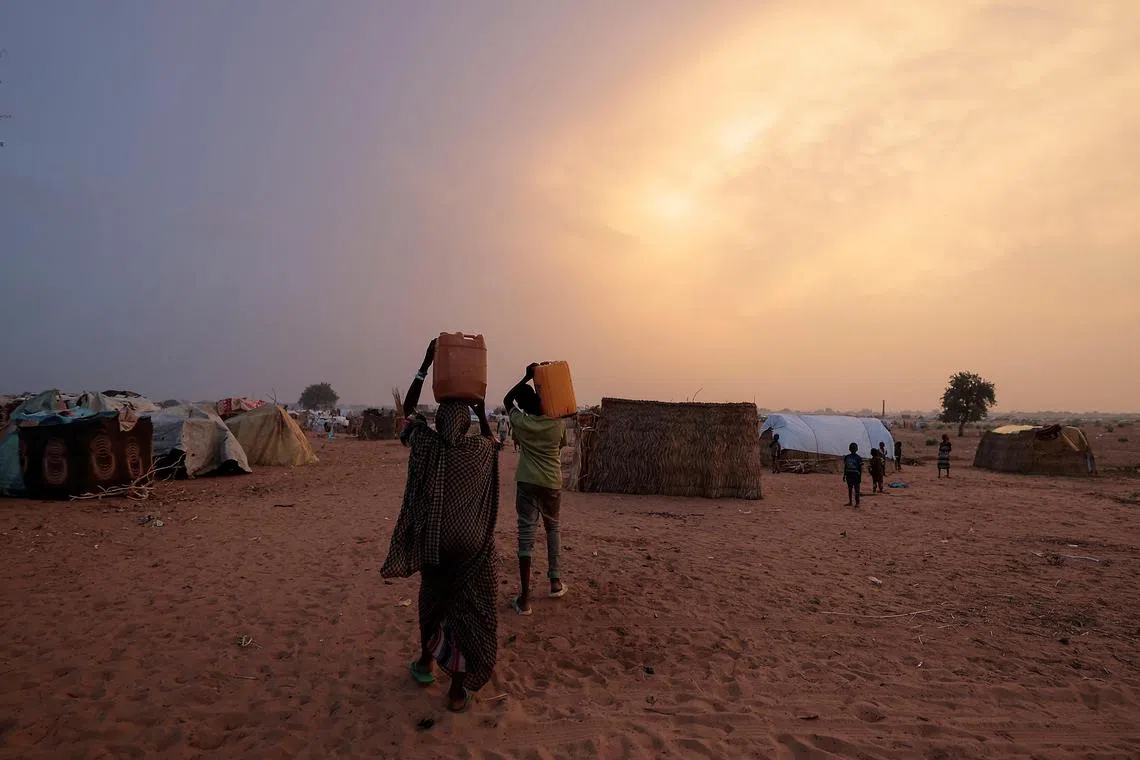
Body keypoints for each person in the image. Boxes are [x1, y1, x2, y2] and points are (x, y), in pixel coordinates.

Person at [381, 338, 500, 714]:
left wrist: (426, 362)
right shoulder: (478, 451)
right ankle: (458, 690)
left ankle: (426, 663)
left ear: (438, 421)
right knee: (466, 608)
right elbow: (491, 439)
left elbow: (410, 410)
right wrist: (480, 411)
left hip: (434, 542)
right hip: (470, 545)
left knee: (432, 602)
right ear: (465, 424)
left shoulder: (425, 444)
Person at [503, 363, 567, 616]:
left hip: (527, 482)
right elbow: (561, 447)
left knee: (526, 536)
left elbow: (508, 399)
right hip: (552, 483)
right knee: (553, 529)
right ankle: (555, 582)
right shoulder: (558, 424)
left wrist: (526, 376)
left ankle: (525, 598)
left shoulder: (521, 422)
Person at [843, 442, 863, 507]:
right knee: (852, 489)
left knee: (854, 489)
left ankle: (855, 502)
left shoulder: (857, 458)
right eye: (852, 448)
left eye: (854, 448)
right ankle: (853, 502)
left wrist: (860, 477)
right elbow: (845, 466)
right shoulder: (848, 457)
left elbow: (860, 468)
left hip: (853, 475)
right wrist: (844, 475)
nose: (853, 449)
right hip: (851, 475)